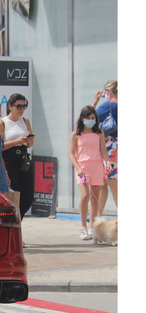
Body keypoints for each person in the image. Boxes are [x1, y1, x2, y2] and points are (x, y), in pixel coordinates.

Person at [69, 105, 110, 240]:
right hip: (82, 168)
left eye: (93, 118)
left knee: (94, 198)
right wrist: (78, 168)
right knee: (85, 195)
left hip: (97, 166)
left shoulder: (99, 133)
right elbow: (71, 154)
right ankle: (83, 226)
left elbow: (103, 150)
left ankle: (92, 227)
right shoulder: (76, 134)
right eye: (88, 118)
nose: (90, 120)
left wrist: (107, 162)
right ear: (82, 119)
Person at [0, 93, 35, 220]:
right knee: (14, 194)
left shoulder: (25, 121)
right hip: (9, 159)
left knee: (28, 197)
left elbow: (29, 145)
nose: (21, 109)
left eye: (24, 106)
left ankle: (18, 221)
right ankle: (15, 225)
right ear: (10, 106)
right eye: (18, 106)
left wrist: (29, 140)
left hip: (23, 159)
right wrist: (16, 142)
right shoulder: (2, 123)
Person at [93, 79, 118, 209]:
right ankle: (97, 217)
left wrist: (95, 102)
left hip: (110, 147)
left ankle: (97, 218)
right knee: (105, 183)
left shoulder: (109, 105)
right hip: (116, 146)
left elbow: (87, 119)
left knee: (112, 184)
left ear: (108, 92)